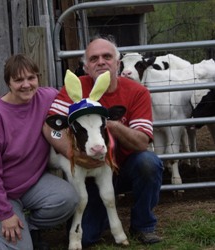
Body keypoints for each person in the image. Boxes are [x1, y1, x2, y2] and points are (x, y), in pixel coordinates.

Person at [43, 36, 164, 247]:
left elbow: (142, 142)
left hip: (125, 167)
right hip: (88, 171)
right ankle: (101, 218)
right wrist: (73, 155)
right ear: (86, 67)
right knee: (87, 236)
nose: (101, 62)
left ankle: (143, 225)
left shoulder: (137, 92)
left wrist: (111, 124)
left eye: (107, 56)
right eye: (94, 58)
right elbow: (49, 128)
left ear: (118, 63)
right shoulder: (76, 88)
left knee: (148, 162)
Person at [0, 54, 79, 250]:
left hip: (29, 184)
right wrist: (5, 214)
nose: (26, 85)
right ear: (8, 83)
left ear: (38, 78)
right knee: (20, 249)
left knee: (68, 198)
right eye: (18, 80)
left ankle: (28, 229)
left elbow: (78, 104)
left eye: (31, 78)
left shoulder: (48, 97)